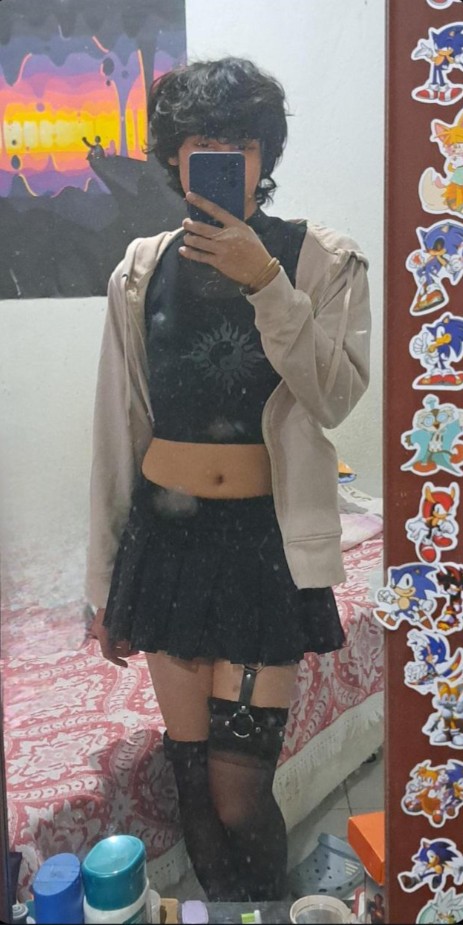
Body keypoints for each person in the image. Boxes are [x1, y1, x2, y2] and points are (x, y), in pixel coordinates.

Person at [87, 57, 371, 902]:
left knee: (238, 793)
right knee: (192, 789)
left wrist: (267, 284)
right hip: (164, 544)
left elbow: (333, 396)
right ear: (176, 156)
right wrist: (101, 585)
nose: (223, 161)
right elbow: (116, 431)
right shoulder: (140, 268)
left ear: (263, 156)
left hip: (259, 550)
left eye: (240, 145)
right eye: (203, 143)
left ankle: (270, 915)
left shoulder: (320, 259)